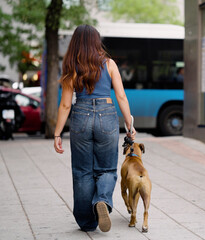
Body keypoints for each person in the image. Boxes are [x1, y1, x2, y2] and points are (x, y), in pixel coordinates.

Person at [53, 25, 136, 232]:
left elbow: (65, 104)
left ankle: (87, 221)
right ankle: (102, 200)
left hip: (80, 115)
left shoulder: (72, 66)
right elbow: (121, 96)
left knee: (82, 171)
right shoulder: (109, 64)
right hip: (106, 114)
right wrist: (129, 124)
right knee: (107, 168)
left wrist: (57, 133)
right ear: (96, 41)